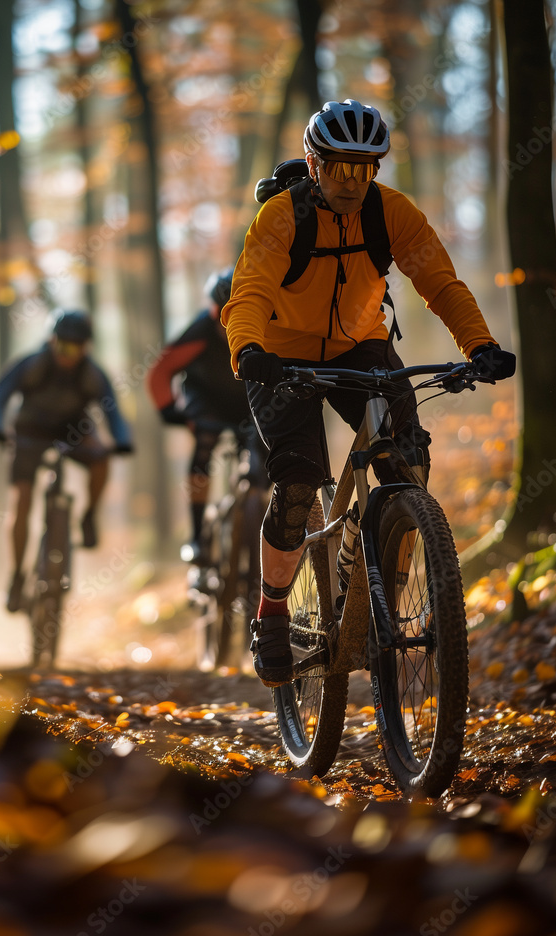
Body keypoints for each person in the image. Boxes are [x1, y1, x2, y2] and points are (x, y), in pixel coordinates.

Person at [222, 99, 516, 687]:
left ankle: (376, 582)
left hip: (361, 344)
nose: (352, 182)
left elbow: (440, 281)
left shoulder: (393, 213)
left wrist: (479, 345)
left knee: (408, 459)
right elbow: (250, 289)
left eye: (364, 168)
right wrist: (249, 349)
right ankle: (273, 612)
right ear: (314, 164)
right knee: (300, 481)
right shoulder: (281, 217)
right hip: (279, 356)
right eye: (339, 168)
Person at [0, 309, 134, 611]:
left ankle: (89, 515)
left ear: (86, 347)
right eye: (63, 346)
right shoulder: (31, 365)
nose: (69, 354)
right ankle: (17, 575)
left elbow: (113, 411)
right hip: (30, 431)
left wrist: (121, 440)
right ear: (51, 341)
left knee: (101, 459)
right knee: (23, 499)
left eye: (77, 347)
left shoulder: (92, 374)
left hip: (73, 430)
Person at [147, 267, 268, 563]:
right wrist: (169, 411)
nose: (226, 323)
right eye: (220, 314)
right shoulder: (200, 331)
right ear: (213, 310)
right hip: (205, 400)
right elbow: (161, 373)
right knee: (205, 441)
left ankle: (260, 522)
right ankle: (197, 535)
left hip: (246, 402)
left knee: (264, 448)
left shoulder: (262, 328)